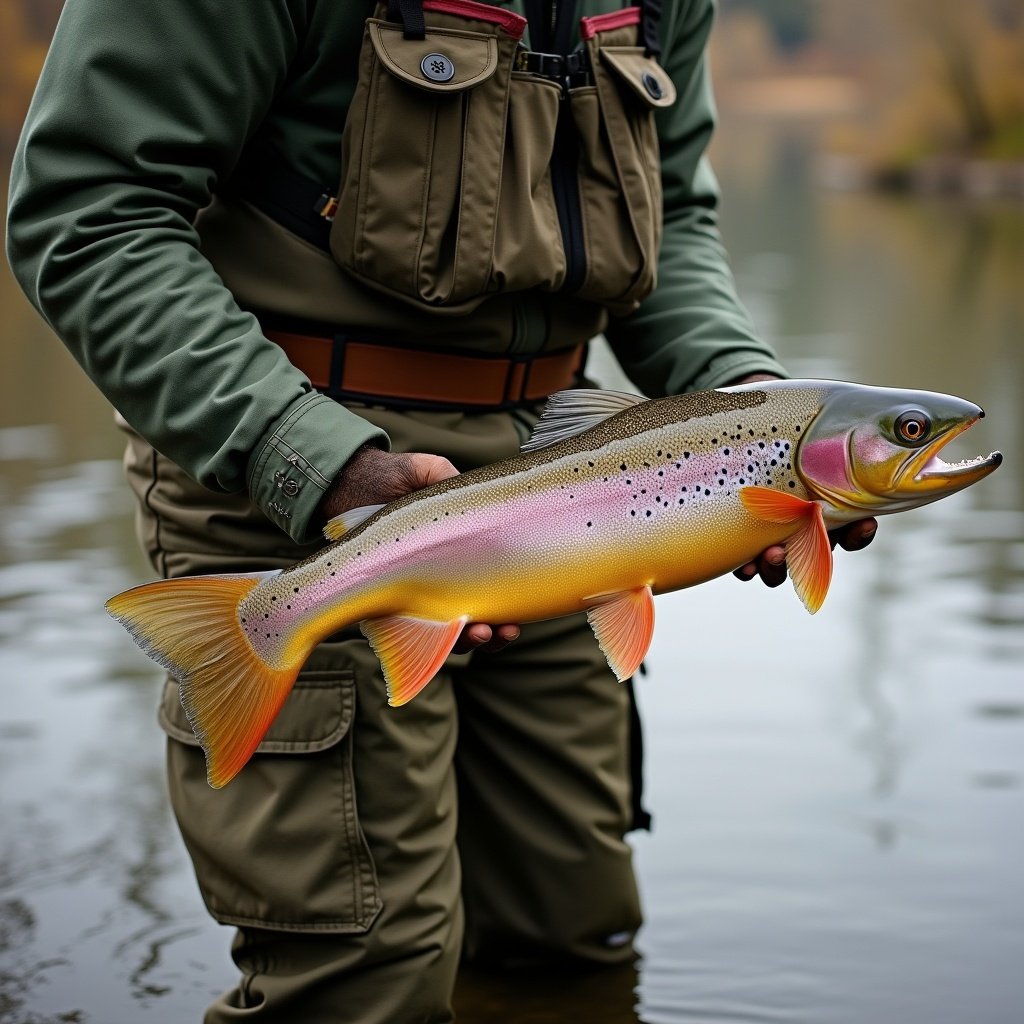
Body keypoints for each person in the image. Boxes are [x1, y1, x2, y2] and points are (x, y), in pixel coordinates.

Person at [7, 0, 875, 1020]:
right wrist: (313, 462)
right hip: (283, 453)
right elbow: (87, 207)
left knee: (569, 939)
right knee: (364, 979)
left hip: (572, 469)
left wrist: (754, 409)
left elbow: (668, 219)